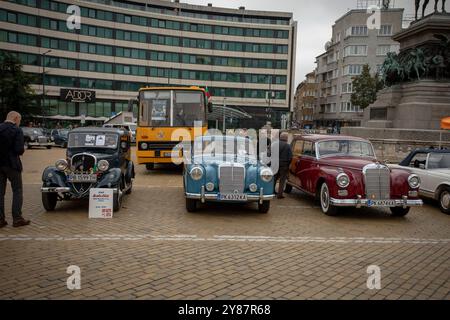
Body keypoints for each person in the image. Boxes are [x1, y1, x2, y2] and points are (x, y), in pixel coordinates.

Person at [0, 111, 30, 228]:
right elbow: (19, 150)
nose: (19, 122)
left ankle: (0, 219)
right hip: (12, 164)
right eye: (19, 120)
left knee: (0, 193)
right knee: (17, 191)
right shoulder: (17, 130)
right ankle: (17, 218)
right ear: (16, 118)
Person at [274, 132, 293, 199]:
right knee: (282, 180)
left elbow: (269, 153)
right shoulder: (288, 146)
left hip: (275, 164)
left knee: (274, 179)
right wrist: (288, 164)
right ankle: (280, 194)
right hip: (284, 165)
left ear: (280, 137)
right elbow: (290, 157)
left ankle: (271, 192)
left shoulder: (274, 144)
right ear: (286, 138)